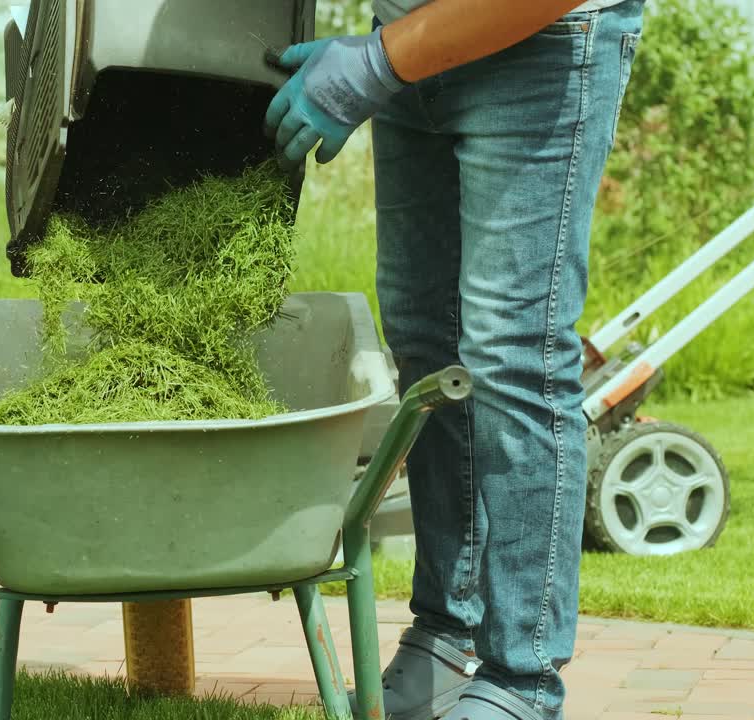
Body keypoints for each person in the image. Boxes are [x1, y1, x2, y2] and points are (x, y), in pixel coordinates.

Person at [263, 1, 645, 719]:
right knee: (426, 345)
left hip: (541, 44)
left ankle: (522, 682)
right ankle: (445, 637)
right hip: (409, 44)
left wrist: (375, 63)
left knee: (512, 355)